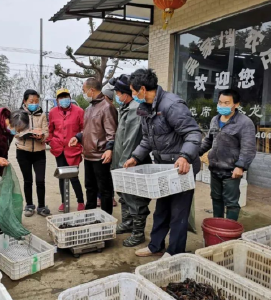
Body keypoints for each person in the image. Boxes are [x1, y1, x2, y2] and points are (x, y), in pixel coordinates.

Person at [124, 69, 202, 258]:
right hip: (163, 168)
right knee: (162, 209)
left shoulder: (172, 105)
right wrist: (135, 157)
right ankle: (155, 246)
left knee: (178, 213)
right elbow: (147, 140)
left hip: (182, 167)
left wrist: (185, 156)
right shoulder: (145, 108)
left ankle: (174, 252)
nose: (133, 95)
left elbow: (193, 133)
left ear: (142, 89)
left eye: (134, 91)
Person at [200, 89, 256, 221]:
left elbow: (248, 148)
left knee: (231, 203)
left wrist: (240, 166)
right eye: (220, 102)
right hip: (214, 168)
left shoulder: (244, 123)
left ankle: (230, 232)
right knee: (216, 199)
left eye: (227, 103)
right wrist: (193, 154)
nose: (222, 106)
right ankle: (218, 227)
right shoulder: (215, 119)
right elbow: (209, 140)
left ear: (236, 104)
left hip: (231, 171)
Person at [111, 74, 152, 247]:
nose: (117, 97)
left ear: (125, 93)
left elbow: (131, 139)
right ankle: (128, 223)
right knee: (124, 195)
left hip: (131, 163)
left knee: (135, 198)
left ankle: (138, 233)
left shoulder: (136, 109)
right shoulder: (126, 106)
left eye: (118, 93)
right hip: (121, 161)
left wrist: (123, 164)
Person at [69, 78, 118, 215]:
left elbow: (111, 132)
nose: (84, 94)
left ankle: (106, 218)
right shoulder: (89, 108)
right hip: (89, 155)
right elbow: (88, 129)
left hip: (101, 155)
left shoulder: (107, 107)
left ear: (91, 90)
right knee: (90, 188)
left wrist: (109, 149)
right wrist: (78, 137)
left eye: (84, 91)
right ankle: (89, 216)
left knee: (104, 190)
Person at [47, 88, 85, 212]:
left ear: (70, 97)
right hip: (59, 149)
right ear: (57, 100)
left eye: (66, 97)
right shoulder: (52, 112)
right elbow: (50, 130)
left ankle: (80, 201)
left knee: (74, 176)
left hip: (73, 150)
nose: (64, 99)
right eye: (61, 97)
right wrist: (51, 141)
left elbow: (84, 130)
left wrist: (78, 141)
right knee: (62, 176)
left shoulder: (79, 111)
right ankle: (64, 201)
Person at [15, 89, 51, 217]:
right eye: (31, 101)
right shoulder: (19, 114)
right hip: (23, 152)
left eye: (36, 101)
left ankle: (41, 206)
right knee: (27, 180)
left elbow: (46, 132)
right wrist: (25, 134)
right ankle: (29, 205)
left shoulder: (42, 115)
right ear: (25, 101)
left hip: (39, 153)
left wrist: (40, 136)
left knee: (40, 180)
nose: (34, 103)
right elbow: (15, 132)